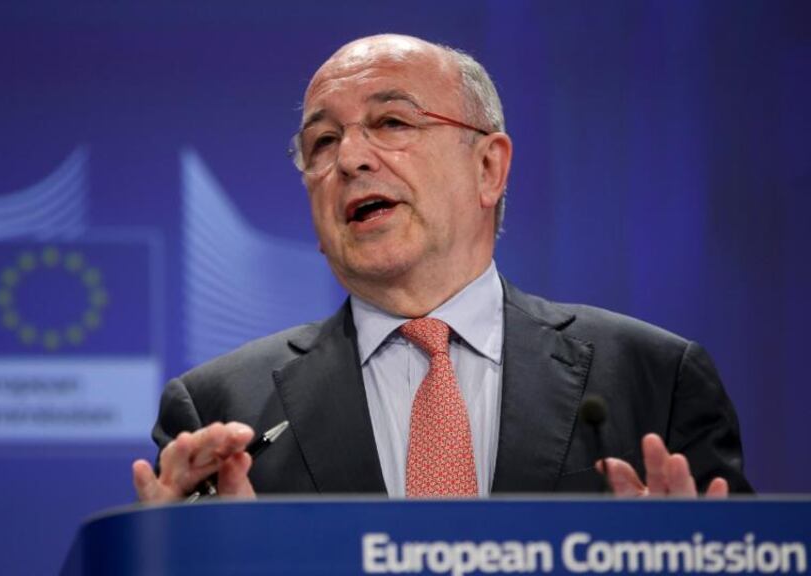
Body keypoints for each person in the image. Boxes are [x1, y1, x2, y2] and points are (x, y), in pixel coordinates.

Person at [132, 34, 752, 503]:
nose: (349, 159)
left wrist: (685, 557)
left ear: (488, 168)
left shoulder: (655, 379)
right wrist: (184, 554)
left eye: (391, 123)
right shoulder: (220, 411)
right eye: (323, 141)